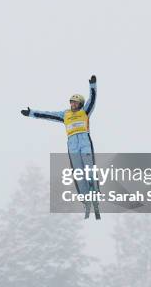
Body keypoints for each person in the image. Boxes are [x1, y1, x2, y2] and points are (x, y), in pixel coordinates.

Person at [21, 75, 100, 219]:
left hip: (85, 145)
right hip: (73, 147)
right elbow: (48, 115)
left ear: (80, 103)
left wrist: (93, 85)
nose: (72, 104)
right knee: (78, 175)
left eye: (75, 102)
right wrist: (31, 113)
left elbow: (92, 100)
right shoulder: (65, 115)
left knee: (89, 170)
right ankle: (85, 199)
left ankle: (95, 192)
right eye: (71, 102)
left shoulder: (85, 112)